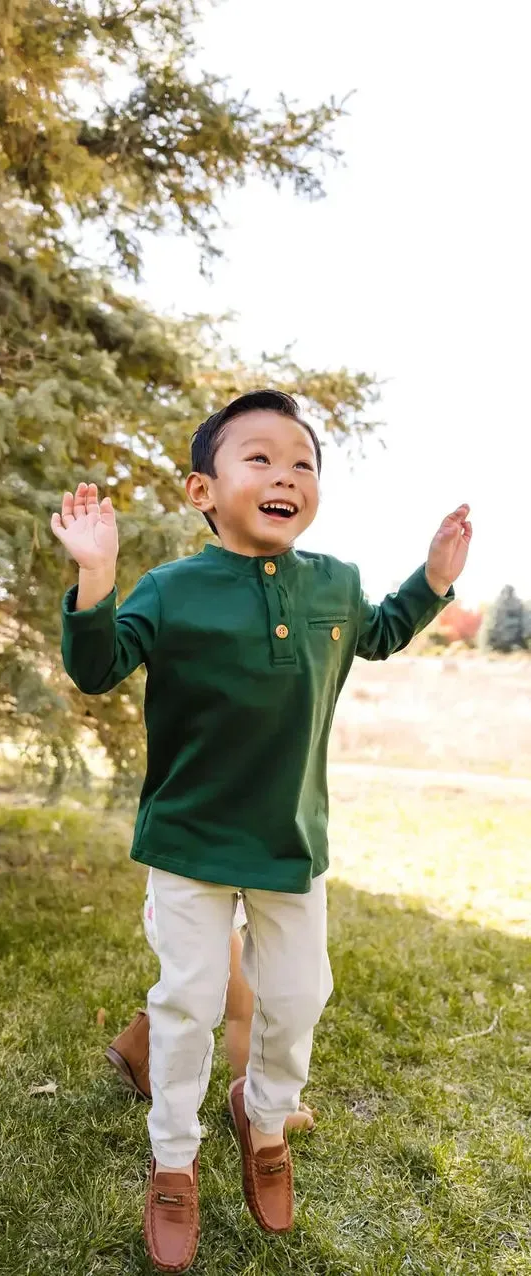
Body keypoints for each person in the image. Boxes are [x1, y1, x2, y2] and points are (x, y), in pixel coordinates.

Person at [52, 390, 471, 1273]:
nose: (286, 474)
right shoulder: (173, 590)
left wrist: (434, 576)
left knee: (300, 995)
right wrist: (96, 575)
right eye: (260, 459)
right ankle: (173, 1159)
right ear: (205, 491)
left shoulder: (335, 585)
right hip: (189, 844)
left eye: (303, 462)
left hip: (291, 845)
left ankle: (264, 1116)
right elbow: (96, 668)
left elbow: (384, 633)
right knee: (189, 1004)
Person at [106, 873, 317, 1131]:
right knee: (241, 1007)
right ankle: (253, 1101)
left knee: (190, 993)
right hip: (203, 901)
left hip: (176, 898)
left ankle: (138, 1048)